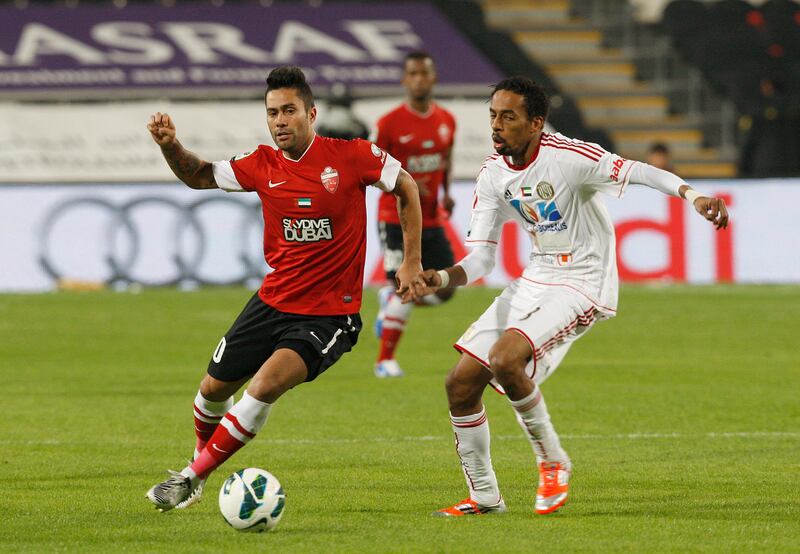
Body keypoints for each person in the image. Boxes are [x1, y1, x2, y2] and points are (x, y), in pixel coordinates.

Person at [419, 76, 728, 517]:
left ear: (536, 123)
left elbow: (637, 170)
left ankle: (553, 460)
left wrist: (692, 195)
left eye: (509, 117)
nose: (497, 125)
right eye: (493, 115)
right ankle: (485, 497)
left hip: (584, 280)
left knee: (507, 358)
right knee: (460, 384)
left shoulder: (569, 157)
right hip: (536, 277)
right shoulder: (492, 173)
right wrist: (441, 278)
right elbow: (482, 260)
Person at [144, 66, 425, 512]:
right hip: (271, 302)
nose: (279, 121)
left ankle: (190, 478)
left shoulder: (351, 156)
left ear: (310, 113)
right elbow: (198, 174)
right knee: (211, 391)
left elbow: (405, 184)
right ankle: (199, 463)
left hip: (330, 314)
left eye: (288, 110)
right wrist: (169, 146)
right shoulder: (261, 164)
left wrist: (411, 262)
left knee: (264, 385)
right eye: (272, 112)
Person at [373, 51, 458, 378]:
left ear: (433, 77)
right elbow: (373, 168)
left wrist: (447, 193)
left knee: (446, 287)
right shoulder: (388, 124)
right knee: (407, 288)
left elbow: (446, 161)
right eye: (413, 74)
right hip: (395, 217)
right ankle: (385, 361)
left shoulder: (447, 120)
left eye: (425, 73)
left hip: (432, 217)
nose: (420, 79)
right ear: (405, 80)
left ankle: (389, 299)